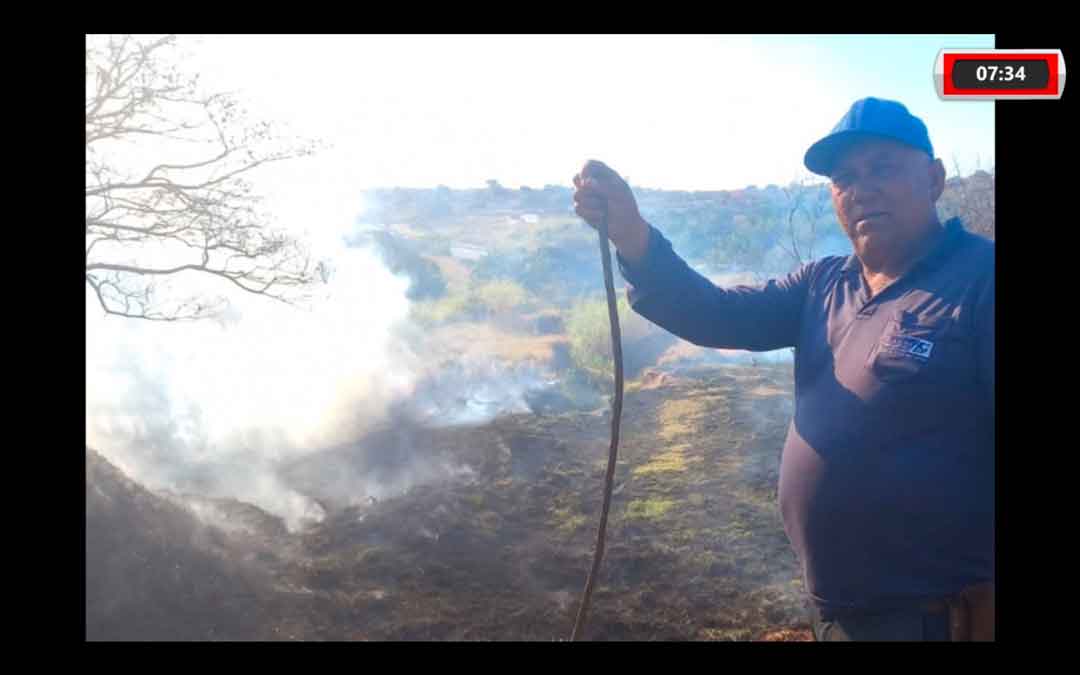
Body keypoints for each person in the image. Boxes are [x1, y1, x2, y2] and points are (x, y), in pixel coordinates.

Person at [572, 97, 994, 641]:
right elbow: (717, 314)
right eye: (844, 178)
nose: (861, 188)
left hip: (940, 620)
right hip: (837, 616)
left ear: (934, 179)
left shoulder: (982, 281)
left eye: (883, 168)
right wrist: (632, 236)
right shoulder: (823, 284)